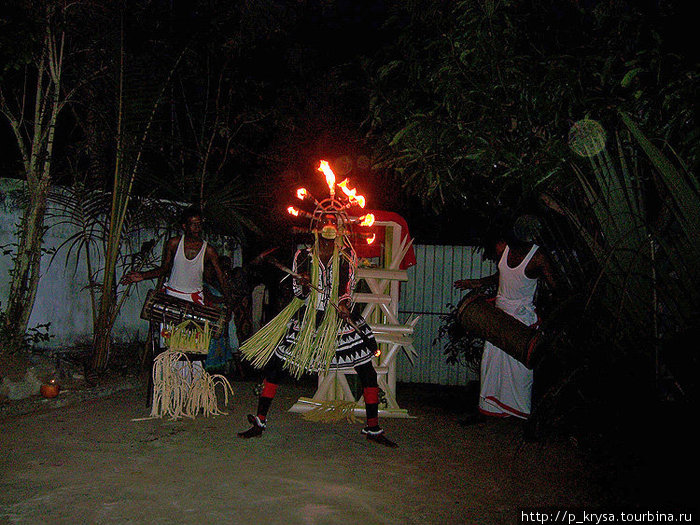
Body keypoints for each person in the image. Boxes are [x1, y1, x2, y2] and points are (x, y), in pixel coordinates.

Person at [237, 233, 398, 447]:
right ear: (316, 233)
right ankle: (260, 420)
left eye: (332, 239)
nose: (328, 243)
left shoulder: (347, 256)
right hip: (310, 317)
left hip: (337, 319)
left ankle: (373, 427)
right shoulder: (303, 255)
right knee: (276, 365)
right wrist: (303, 283)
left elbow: (347, 288)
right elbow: (299, 294)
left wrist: (343, 305)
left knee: (366, 369)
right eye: (324, 237)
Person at [454, 215, 558, 423]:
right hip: (498, 316)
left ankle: (525, 416)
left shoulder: (538, 258)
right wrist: (478, 283)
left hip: (521, 318)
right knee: (490, 364)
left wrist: (552, 318)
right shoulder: (503, 248)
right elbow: (503, 275)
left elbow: (556, 288)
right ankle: (486, 410)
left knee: (522, 371)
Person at [122, 207, 231, 369]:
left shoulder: (208, 250)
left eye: (199, 224)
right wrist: (142, 276)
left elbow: (221, 277)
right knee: (171, 343)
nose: (197, 228)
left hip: (195, 302)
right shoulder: (173, 243)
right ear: (184, 226)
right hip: (172, 299)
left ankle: (192, 384)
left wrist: (228, 302)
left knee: (194, 346)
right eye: (193, 224)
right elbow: (164, 269)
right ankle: (170, 382)